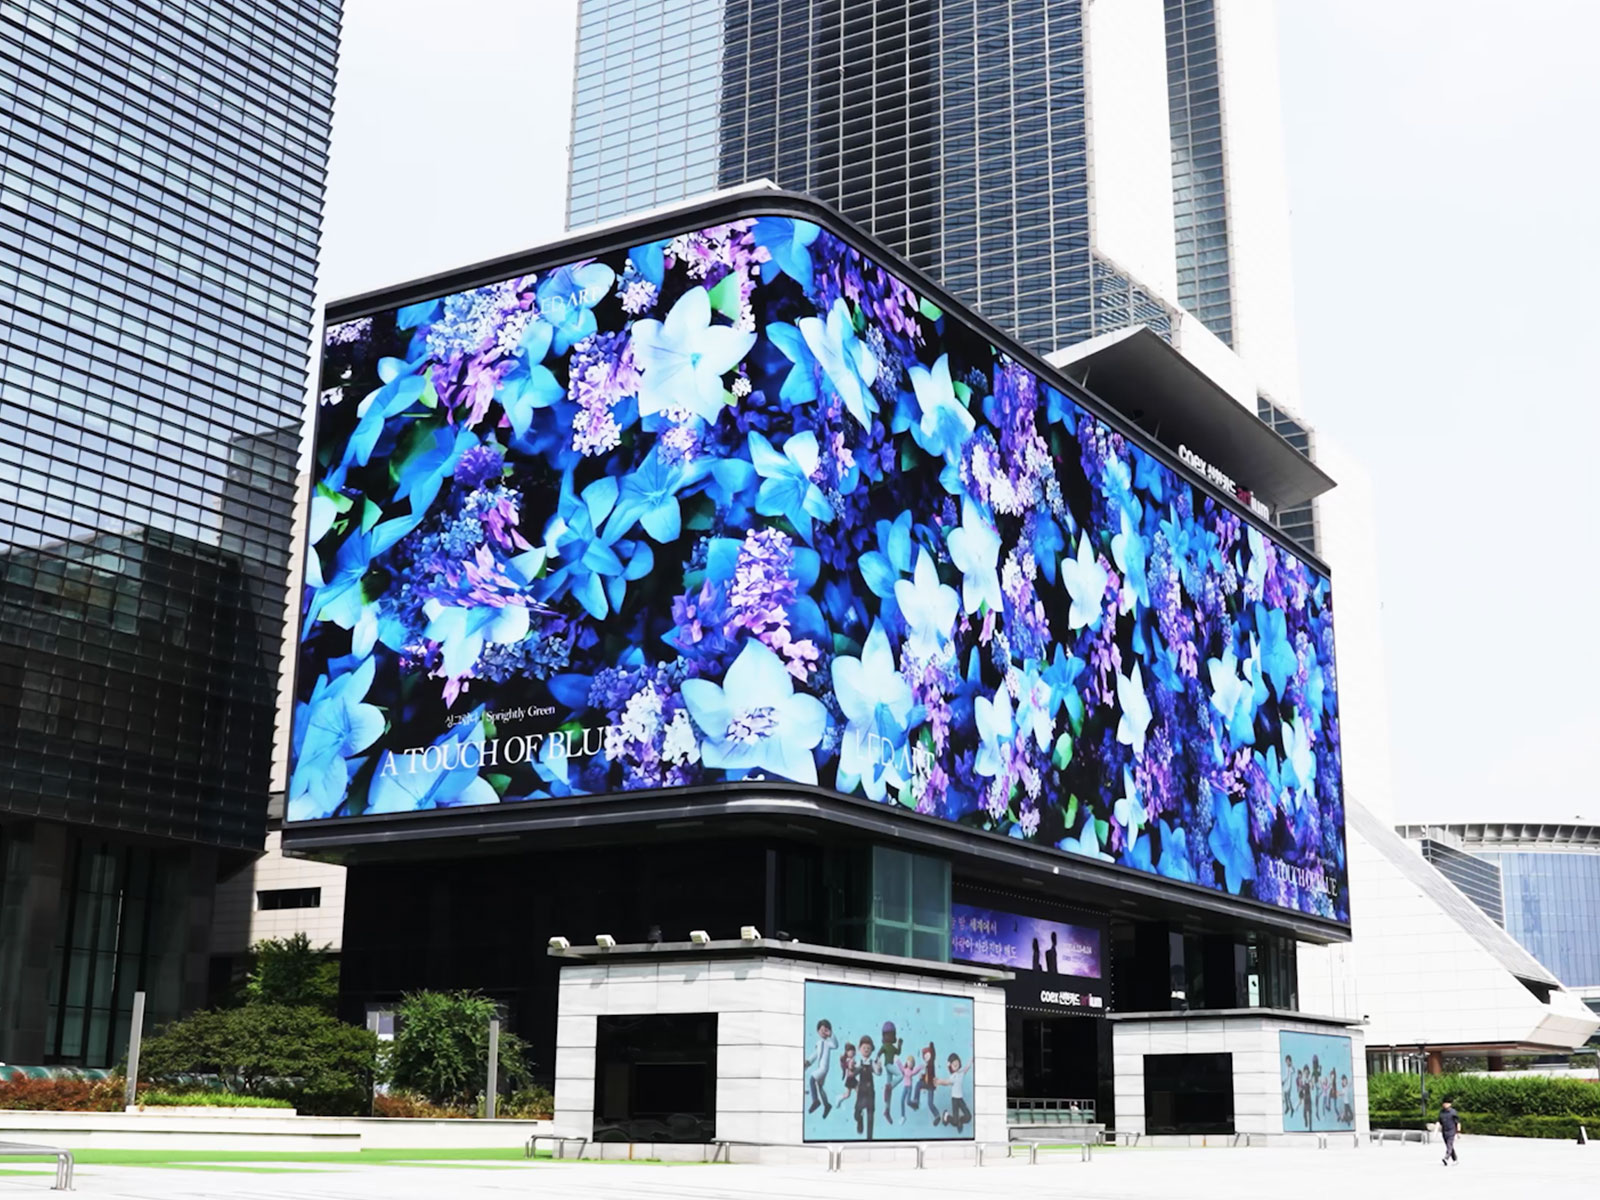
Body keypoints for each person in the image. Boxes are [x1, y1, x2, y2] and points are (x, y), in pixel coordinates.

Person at [804, 1019, 837, 1117]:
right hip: (821, 1068)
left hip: (824, 1068)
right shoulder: (819, 1043)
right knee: (819, 1086)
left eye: (826, 1030)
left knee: (811, 1079)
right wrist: (808, 1062)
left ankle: (815, 1100)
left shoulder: (828, 1042)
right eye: (821, 1030)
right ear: (818, 1031)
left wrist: (831, 1035)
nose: (823, 1032)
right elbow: (815, 1054)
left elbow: (835, 1045)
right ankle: (827, 1105)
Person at [852, 1035, 881, 1139]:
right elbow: (853, 1074)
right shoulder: (858, 1062)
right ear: (860, 1049)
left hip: (870, 1092)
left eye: (868, 1048)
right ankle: (859, 1120)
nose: (866, 1050)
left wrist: (879, 1067)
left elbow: (878, 1073)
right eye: (864, 1048)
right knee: (856, 1112)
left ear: (871, 1050)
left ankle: (869, 1138)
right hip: (861, 1091)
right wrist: (852, 1068)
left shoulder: (872, 1062)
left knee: (870, 1116)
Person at [939, 1052, 973, 1133]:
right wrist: (939, 1082)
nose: (956, 1065)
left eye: (957, 1063)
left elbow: (967, 1067)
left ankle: (959, 1121)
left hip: (960, 1099)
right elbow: (947, 1082)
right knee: (954, 1122)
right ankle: (947, 1116)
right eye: (954, 1065)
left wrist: (972, 1058)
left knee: (968, 1117)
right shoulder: (953, 1076)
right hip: (955, 1099)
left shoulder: (961, 1073)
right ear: (950, 1066)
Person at [878, 1021, 902, 1124]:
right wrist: (876, 1060)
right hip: (888, 1066)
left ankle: (887, 1110)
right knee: (901, 1074)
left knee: (889, 1092)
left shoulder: (892, 1047)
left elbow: (898, 1052)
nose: (889, 1036)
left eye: (891, 1034)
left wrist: (899, 1045)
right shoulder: (885, 1046)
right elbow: (879, 1053)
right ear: (884, 1035)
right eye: (887, 1034)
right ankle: (890, 1086)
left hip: (889, 1069)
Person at [1439, 1099, 1461, 1166]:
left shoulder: (1453, 1112)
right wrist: (1436, 1130)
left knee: (1449, 1144)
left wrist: (1458, 1132)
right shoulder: (1441, 1112)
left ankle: (1446, 1158)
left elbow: (1458, 1122)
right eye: (1444, 1103)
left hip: (1451, 1131)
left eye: (1446, 1103)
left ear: (1450, 1104)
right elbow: (1439, 1121)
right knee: (1449, 1146)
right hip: (1444, 1131)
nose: (1445, 1104)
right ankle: (1455, 1159)